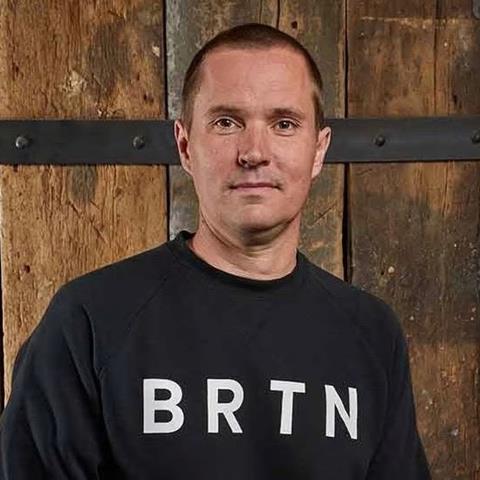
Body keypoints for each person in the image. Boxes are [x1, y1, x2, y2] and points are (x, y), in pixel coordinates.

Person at [0, 22, 431, 479]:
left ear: (318, 150)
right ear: (186, 145)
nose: (254, 152)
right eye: (227, 122)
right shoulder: (91, 319)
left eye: (284, 124)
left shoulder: (370, 334)